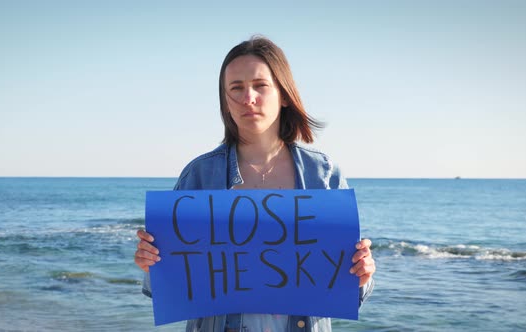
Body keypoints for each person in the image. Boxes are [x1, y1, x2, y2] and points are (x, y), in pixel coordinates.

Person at [134, 35, 376, 332]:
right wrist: (151, 266)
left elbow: (348, 288)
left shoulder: (323, 174)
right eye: (236, 88)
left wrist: (362, 274)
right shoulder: (199, 175)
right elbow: (164, 288)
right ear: (225, 100)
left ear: (284, 94)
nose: (249, 98)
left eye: (260, 86)